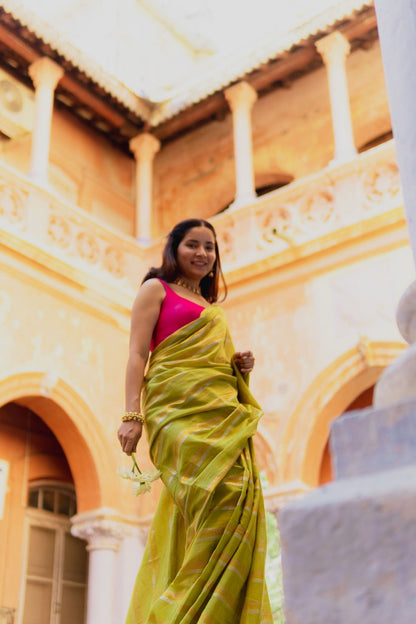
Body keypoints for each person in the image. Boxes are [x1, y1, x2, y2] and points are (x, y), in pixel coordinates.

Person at [118, 218, 273, 624]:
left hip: (222, 414)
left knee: (237, 498)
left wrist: (240, 365)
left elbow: (215, 363)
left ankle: (215, 611)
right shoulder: (156, 290)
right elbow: (138, 354)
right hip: (175, 413)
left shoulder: (211, 309)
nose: (203, 254)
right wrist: (132, 415)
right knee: (216, 498)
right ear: (174, 248)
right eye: (193, 245)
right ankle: (180, 610)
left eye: (210, 247)